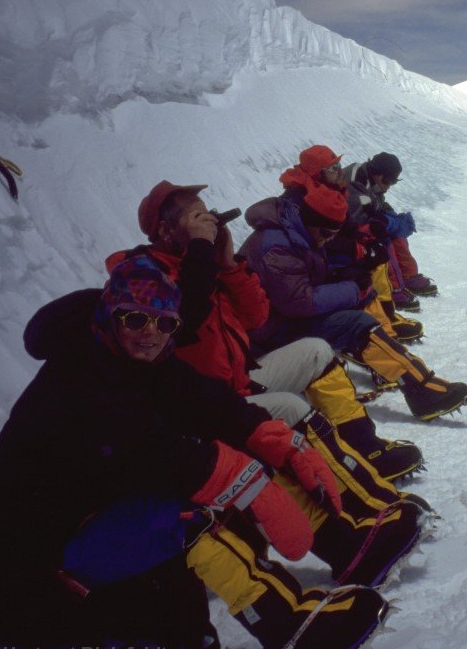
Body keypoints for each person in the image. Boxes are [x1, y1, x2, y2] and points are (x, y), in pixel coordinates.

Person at [0, 256, 392, 649]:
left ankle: (346, 546)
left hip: (92, 513)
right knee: (190, 512)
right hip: (43, 550)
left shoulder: (135, 358)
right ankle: (289, 628)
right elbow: (146, 451)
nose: (150, 332)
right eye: (136, 318)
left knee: (239, 457)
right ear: (110, 315)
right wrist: (242, 478)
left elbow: (206, 400)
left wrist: (270, 435)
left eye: (164, 322)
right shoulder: (78, 372)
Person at [112, 179, 425, 485]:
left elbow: (255, 317)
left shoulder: (206, 265)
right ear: (166, 231)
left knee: (315, 350)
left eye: (208, 216)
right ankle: (346, 479)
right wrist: (199, 252)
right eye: (197, 219)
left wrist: (229, 265)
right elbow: (183, 321)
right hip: (203, 409)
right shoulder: (145, 278)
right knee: (294, 406)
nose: (208, 225)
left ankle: (364, 446)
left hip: (237, 382)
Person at [239, 175, 467, 422]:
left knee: (358, 313)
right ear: (314, 223)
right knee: (356, 324)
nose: (330, 239)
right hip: (267, 334)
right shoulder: (276, 246)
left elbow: (303, 283)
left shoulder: (298, 232)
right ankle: (419, 387)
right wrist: (351, 288)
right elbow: (301, 301)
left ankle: (413, 380)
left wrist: (347, 277)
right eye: (329, 233)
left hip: (277, 320)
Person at [283, 146, 423, 343]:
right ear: (317, 172)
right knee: (364, 269)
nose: (340, 170)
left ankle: (386, 315)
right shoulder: (305, 198)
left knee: (376, 251)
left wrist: (369, 239)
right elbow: (322, 237)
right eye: (333, 168)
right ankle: (380, 325)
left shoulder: (326, 189)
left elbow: (345, 224)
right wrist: (358, 248)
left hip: (321, 256)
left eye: (338, 165)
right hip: (314, 265)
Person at [344, 151, 438, 299]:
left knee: (396, 231)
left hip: (355, 222)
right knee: (382, 234)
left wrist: (391, 215)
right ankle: (393, 288)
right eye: (387, 180)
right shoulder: (356, 180)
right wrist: (384, 220)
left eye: (393, 182)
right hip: (343, 229)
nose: (389, 186)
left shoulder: (373, 182)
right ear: (377, 172)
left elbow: (375, 204)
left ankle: (408, 275)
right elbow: (355, 214)